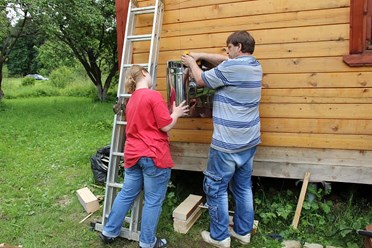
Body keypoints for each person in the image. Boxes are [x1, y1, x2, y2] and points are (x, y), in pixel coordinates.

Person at [181, 31, 262, 248]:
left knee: (216, 188)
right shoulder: (255, 66)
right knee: (243, 187)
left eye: (228, 47)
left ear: (238, 46)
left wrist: (191, 62)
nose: (226, 52)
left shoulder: (231, 68)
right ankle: (243, 233)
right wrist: (199, 54)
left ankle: (220, 237)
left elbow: (200, 79)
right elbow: (226, 61)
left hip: (227, 144)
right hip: (249, 140)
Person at [99, 65, 189, 248]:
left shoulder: (131, 100)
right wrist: (177, 113)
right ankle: (147, 242)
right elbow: (165, 126)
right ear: (145, 74)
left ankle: (109, 231)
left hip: (132, 155)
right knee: (153, 200)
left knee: (126, 194)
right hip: (153, 155)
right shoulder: (153, 95)